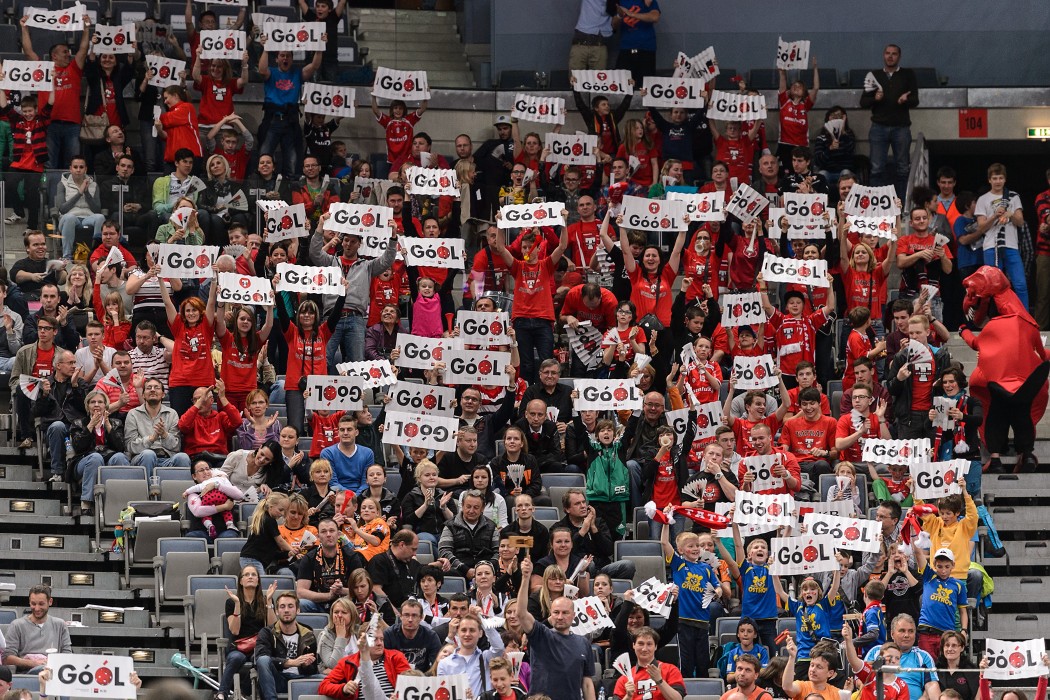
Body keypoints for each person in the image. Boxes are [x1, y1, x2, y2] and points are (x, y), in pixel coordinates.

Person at [490, 213, 568, 382]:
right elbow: (501, 248)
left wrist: (564, 223)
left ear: (538, 248)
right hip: (522, 320)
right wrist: (500, 223)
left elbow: (562, 246)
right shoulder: (517, 266)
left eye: (530, 247)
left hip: (543, 320)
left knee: (546, 362)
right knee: (525, 365)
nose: (526, 250)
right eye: (524, 247)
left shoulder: (546, 264)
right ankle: (525, 397)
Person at [515, 556, 596, 700]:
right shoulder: (540, 634)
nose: (559, 617)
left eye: (565, 613)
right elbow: (521, 613)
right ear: (550, 614)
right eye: (556, 613)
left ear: (573, 615)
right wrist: (525, 578)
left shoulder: (583, 643)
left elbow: (587, 683)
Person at [859, 44, 919, 198]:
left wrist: (906, 100)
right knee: (877, 169)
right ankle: (876, 205)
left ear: (899, 56)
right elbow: (863, 102)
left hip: (901, 127)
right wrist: (875, 98)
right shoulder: (874, 75)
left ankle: (901, 206)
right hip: (879, 126)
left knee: (903, 169)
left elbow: (915, 100)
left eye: (894, 54)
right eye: (888, 53)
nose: (890, 56)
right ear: (883, 55)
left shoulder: (908, 75)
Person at [257, 40, 323, 178]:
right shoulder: (272, 73)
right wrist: (266, 49)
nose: (285, 58)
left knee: (292, 161)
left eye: (288, 55)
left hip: (290, 121)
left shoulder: (297, 74)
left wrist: (319, 47)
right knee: (264, 156)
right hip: (272, 120)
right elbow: (262, 70)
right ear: (276, 59)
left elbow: (315, 65)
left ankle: (290, 189)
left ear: (292, 59)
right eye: (282, 55)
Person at [218, 564, 277, 700]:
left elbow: (272, 627)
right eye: (246, 575)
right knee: (234, 658)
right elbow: (234, 630)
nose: (250, 577)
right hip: (239, 646)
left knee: (261, 660)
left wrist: (268, 602)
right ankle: (222, 694)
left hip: (260, 646)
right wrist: (238, 604)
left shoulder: (265, 600)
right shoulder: (231, 602)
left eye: (253, 574)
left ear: (258, 581)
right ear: (240, 581)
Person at [974, 163, 1028, 308]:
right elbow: (981, 228)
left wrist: (1010, 214)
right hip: (991, 246)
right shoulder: (983, 199)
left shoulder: (1013, 197)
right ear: (989, 180)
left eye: (1000, 178)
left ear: (1005, 179)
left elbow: (1020, 222)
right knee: (993, 287)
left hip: (1011, 245)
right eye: (994, 178)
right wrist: (994, 216)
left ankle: (1024, 319)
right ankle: (997, 320)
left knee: (1020, 284)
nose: (998, 181)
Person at [70, 390, 132, 515]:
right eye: (93, 402)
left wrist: (109, 427)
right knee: (95, 457)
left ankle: (121, 501)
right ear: (88, 406)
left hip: (108, 460)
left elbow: (120, 447)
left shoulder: (116, 423)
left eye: (100, 402)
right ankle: (86, 502)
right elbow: (78, 447)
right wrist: (91, 425)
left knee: (120, 457)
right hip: (84, 461)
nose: (96, 405)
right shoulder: (78, 423)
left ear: (106, 406)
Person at [255, 592, 320, 700]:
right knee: (263, 660)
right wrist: (290, 662)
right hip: (278, 679)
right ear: (276, 611)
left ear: (298, 610)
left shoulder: (308, 634)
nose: (286, 610)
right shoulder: (267, 632)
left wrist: (306, 665)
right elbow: (260, 658)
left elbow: (313, 670)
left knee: (327, 679)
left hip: (301, 679)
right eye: (282, 606)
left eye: (290, 606)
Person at [864, 615, 940, 700]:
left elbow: (932, 685)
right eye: (902, 631)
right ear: (892, 634)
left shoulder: (923, 656)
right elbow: (861, 680)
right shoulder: (877, 652)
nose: (907, 635)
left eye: (911, 631)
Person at [124, 377, 190, 476]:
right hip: (141, 458)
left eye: (157, 387)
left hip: (167, 459)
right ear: (143, 395)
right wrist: (151, 439)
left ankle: (180, 492)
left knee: (183, 457)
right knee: (148, 454)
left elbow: (177, 446)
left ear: (163, 394)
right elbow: (130, 446)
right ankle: (147, 490)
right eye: (149, 387)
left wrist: (164, 435)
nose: (153, 390)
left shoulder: (172, 414)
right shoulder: (133, 414)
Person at [1, 585, 72, 672]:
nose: (37, 608)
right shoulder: (17, 625)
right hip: (26, 674)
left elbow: (68, 656)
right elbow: (6, 658)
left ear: (50, 601)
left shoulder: (60, 625)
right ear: (29, 602)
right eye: (33, 604)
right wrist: (33, 663)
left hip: (54, 673)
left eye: (41, 604)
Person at [436, 610, 506, 695]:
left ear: (480, 633)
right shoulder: (445, 664)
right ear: (458, 632)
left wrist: (483, 620)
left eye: (472, 630)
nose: (467, 634)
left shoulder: (486, 658)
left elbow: (499, 648)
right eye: (464, 630)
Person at [439, 490, 500, 579]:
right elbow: (444, 551)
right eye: (468, 506)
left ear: (482, 508)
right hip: (459, 570)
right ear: (462, 506)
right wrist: (464, 569)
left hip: (486, 572)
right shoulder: (450, 525)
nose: (471, 511)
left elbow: (498, 552)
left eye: (476, 507)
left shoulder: (491, 526)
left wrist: (486, 569)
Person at [614, 626, 686, 700]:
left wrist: (659, 681)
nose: (644, 649)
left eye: (649, 644)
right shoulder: (624, 678)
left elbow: (678, 699)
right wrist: (628, 697)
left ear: (655, 646)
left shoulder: (671, 670)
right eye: (641, 644)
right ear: (633, 645)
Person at [56, 156, 105, 261]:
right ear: (70, 169)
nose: (78, 170)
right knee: (69, 218)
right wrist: (79, 193)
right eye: (75, 167)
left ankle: (97, 255)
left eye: (81, 167)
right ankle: (67, 256)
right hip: (69, 216)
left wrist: (86, 192)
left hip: (88, 217)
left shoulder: (94, 185)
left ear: (85, 169)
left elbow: (97, 209)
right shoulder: (62, 184)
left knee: (100, 217)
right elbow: (62, 209)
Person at [841, 624, 908, 700]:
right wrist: (848, 640)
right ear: (880, 658)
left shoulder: (902, 686)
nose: (893, 660)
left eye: (897, 658)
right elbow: (854, 661)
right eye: (890, 656)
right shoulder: (870, 673)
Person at [385, 599, 442, 671]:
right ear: (400, 616)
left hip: (422, 678)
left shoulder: (431, 636)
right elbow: (384, 664)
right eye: (406, 615)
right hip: (395, 677)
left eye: (414, 615)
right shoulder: (389, 635)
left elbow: (436, 665)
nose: (410, 619)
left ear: (421, 617)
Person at [613, 0, 660, 83]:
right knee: (621, 83)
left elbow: (655, 17)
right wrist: (619, 15)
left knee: (645, 86)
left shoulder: (648, 1)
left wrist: (631, 14)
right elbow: (613, 25)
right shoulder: (621, 2)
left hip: (646, 48)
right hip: (626, 48)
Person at [569, 0, 614, 70]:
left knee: (599, 80)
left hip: (600, 45)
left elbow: (616, 21)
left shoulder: (614, 2)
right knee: (576, 79)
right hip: (580, 43)